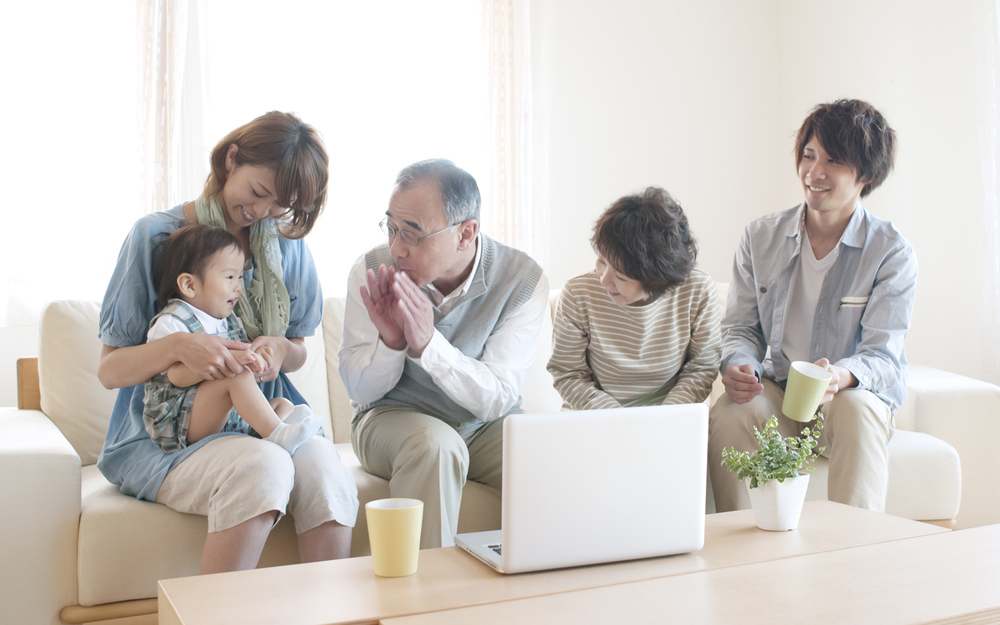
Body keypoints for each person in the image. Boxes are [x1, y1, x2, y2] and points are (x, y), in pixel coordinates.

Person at [98, 111, 358, 574]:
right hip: (164, 437)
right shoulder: (155, 237)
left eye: (281, 206)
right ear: (231, 159)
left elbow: (297, 349)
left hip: (257, 415)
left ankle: (329, 610)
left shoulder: (286, 246)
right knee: (264, 466)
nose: (263, 213)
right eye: (258, 192)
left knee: (325, 471)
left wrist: (279, 349)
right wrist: (180, 348)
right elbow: (111, 370)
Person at [708, 99, 917, 513]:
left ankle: (852, 556)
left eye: (834, 160)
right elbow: (740, 327)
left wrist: (841, 376)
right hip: (780, 391)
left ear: (866, 175)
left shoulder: (891, 251)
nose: (814, 172)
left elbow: (884, 357)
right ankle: (742, 556)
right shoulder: (760, 237)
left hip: (846, 400)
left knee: (856, 410)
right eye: (809, 155)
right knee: (732, 411)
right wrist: (739, 362)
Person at [339, 159, 548, 549]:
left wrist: (428, 345)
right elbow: (361, 393)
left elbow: (498, 398)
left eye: (413, 234)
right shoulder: (371, 271)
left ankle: (547, 598)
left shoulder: (522, 280)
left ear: (465, 234)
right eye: (391, 228)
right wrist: (393, 344)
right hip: (389, 419)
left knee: (550, 450)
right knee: (436, 445)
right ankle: (425, 603)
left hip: (482, 425)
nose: (396, 247)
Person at [143, 224, 321, 454]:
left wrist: (258, 359)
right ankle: (279, 436)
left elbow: (242, 371)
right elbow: (175, 376)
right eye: (229, 277)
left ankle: (282, 432)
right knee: (236, 376)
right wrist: (232, 362)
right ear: (189, 284)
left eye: (239, 276)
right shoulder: (172, 321)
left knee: (282, 403)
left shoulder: (228, 320)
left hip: (224, 418)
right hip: (179, 422)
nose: (238, 287)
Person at [547, 187, 721, 409]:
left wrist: (664, 418)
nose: (604, 280)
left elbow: (702, 368)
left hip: (670, 419)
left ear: (656, 278)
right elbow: (568, 373)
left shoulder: (698, 291)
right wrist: (620, 420)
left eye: (620, 276)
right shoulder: (578, 292)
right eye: (601, 261)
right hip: (594, 418)